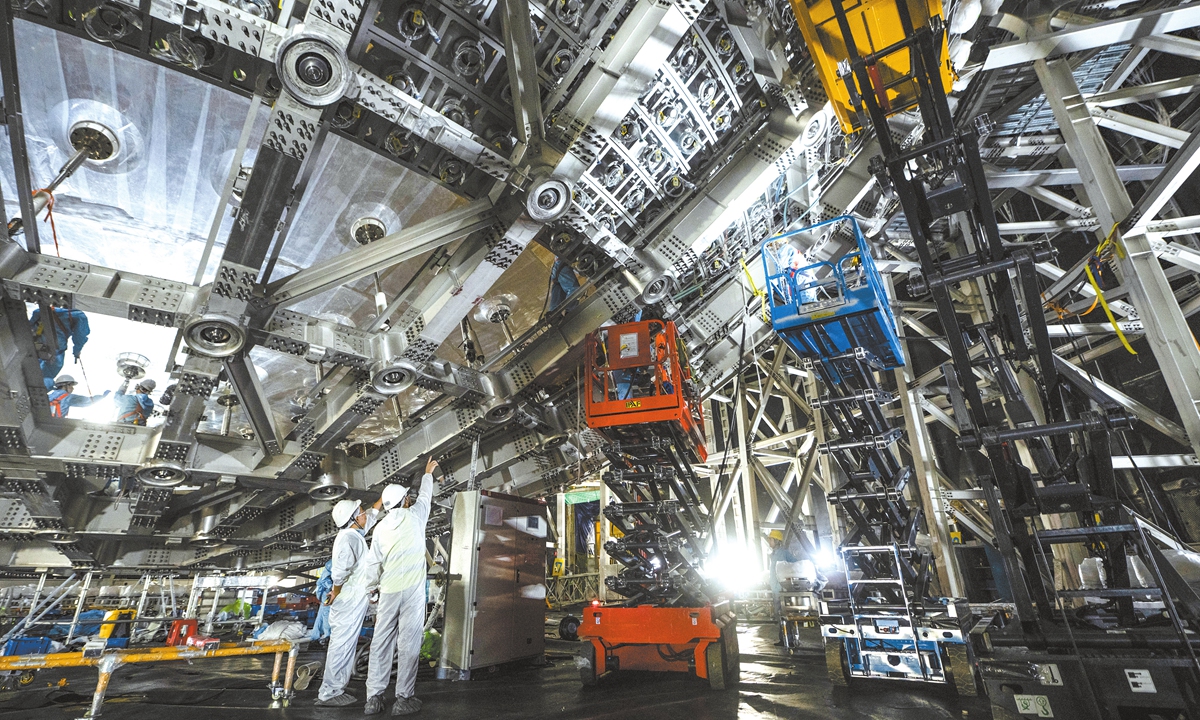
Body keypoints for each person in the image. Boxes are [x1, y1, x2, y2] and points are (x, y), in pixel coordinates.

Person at [361, 457, 437, 716]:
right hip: (413, 592)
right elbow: (425, 496)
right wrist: (427, 474)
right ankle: (403, 699)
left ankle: (373, 697)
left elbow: (373, 563)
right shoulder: (415, 516)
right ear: (405, 500)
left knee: (381, 642)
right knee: (408, 643)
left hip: (389, 591)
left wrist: (371, 589)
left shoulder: (380, 529)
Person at [316, 495, 383, 707]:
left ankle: (335, 688)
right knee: (342, 646)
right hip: (348, 603)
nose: (364, 513)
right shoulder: (347, 539)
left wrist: (384, 497)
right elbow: (339, 574)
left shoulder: (355, 534)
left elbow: (371, 516)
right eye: (360, 511)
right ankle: (329, 692)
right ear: (353, 518)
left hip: (354, 601)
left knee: (346, 645)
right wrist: (335, 591)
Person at [29, 306, 90, 389]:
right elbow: (80, 336)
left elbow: (29, 326)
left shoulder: (41, 310)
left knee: (32, 363)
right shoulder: (78, 315)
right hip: (56, 347)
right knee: (49, 372)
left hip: (34, 344)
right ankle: (40, 388)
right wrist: (76, 351)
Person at [766, 529, 798, 647]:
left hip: (782, 590)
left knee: (784, 615)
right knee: (780, 615)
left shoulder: (783, 553)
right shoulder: (774, 554)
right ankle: (783, 639)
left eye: (770, 539)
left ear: (776, 541)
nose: (769, 541)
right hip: (776, 589)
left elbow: (795, 564)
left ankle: (788, 639)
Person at [310, 560, 334, 644]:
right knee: (326, 613)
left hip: (325, 591)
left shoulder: (332, 562)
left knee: (321, 614)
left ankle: (315, 636)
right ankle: (328, 635)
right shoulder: (332, 563)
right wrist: (332, 589)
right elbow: (324, 580)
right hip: (326, 592)